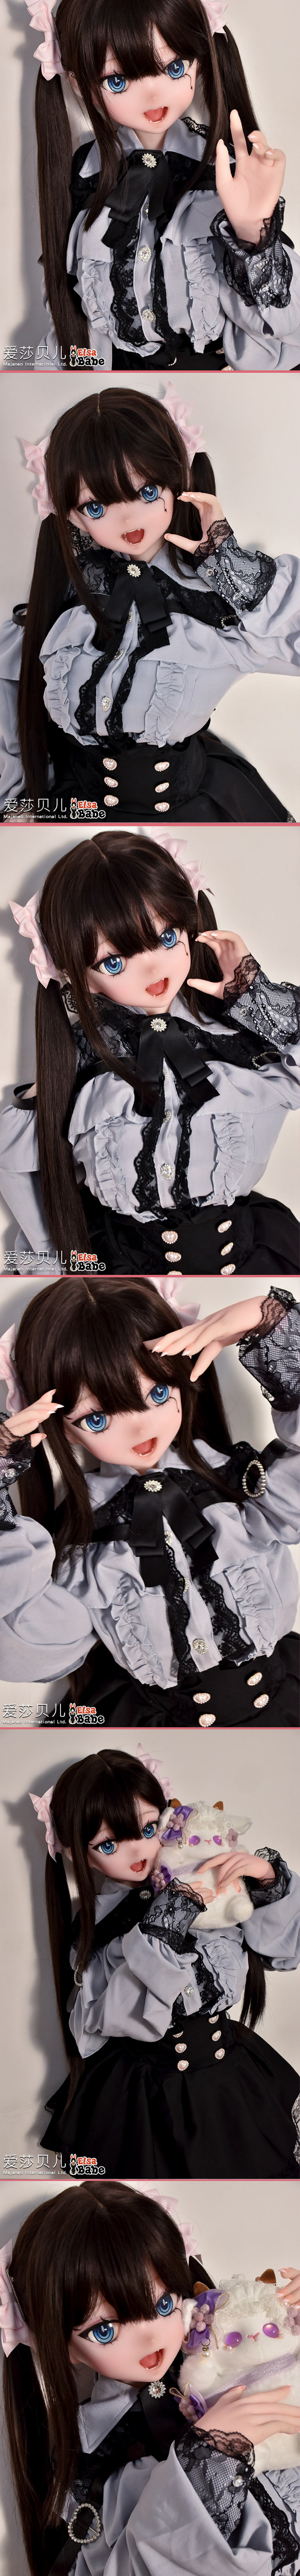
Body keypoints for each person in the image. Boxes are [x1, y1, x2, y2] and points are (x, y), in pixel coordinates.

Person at [1, 2184, 300, 2576]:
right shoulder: (99, 2450)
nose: (150, 2338)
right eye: (105, 2330)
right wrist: (210, 2456)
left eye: (163, 2305)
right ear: (66, 2348)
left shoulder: (232, 2355)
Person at [0, 1276, 299, 1726]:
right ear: (62, 1429)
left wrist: (272, 1324)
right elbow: (32, 1644)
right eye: (97, 1419)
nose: (142, 1429)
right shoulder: (85, 1541)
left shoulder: (234, 1485)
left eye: (159, 1393)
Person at [2, 833, 299, 1274]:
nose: (153, 968)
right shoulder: (84, 1062)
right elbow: (17, 1156)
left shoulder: (237, 1040)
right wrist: (51, 1260)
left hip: (255, 1257)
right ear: (75, 975)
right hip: (116, 1270)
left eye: (167, 937)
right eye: (114, 962)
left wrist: (252, 992)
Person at [0, 392, 299, 823]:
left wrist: (228, 562)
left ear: (178, 481)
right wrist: (17, 801)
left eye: (147, 491)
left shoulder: (222, 606)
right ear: (72, 516)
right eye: (96, 506)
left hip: (195, 813)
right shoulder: (67, 609)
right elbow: (13, 702)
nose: (128, 521)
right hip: (73, 812)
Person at [29, 1745, 300, 2175]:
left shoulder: (207, 1879)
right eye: (109, 1844)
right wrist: (166, 1922)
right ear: (78, 1852)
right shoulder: (100, 1927)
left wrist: (268, 1881)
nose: (136, 1850)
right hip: (146, 2095)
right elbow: (113, 2020)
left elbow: (283, 1954)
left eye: (148, 1828)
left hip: (232, 2076)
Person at [24, 0, 300, 374]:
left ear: (199, 60)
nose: (153, 96)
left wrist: (254, 235)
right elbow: (67, 312)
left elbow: (287, 326)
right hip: (110, 375)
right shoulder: (84, 175)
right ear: (80, 85)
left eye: (174, 68)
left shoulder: (223, 170)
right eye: (118, 80)